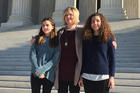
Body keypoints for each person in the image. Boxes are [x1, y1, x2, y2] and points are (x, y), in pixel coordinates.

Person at [78, 13, 116, 93]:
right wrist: (81, 76)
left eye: (97, 21)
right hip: (87, 77)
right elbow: (83, 58)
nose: (95, 23)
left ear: (102, 22)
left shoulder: (109, 39)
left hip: (103, 78)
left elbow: (112, 59)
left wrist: (112, 77)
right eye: (93, 21)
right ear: (90, 23)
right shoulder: (86, 39)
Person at [54, 7, 83, 93]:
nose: (68, 17)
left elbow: (100, 32)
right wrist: (36, 39)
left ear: (76, 16)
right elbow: (48, 37)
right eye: (66, 15)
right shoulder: (60, 32)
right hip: (61, 71)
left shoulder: (81, 31)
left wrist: (113, 39)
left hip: (75, 71)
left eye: (71, 14)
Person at [29, 17, 60, 93]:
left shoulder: (57, 41)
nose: (45, 27)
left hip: (49, 74)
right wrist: (38, 70)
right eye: (43, 25)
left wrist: (42, 70)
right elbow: (32, 56)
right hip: (35, 73)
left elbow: (54, 59)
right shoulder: (37, 39)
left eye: (47, 25)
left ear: (52, 27)